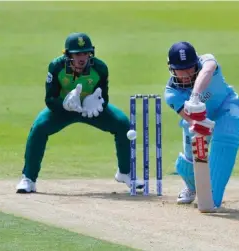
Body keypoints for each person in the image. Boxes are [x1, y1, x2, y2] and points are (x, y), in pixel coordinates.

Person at [16, 32, 145, 193]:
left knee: (122, 124)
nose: (82, 58)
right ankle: (28, 178)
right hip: (63, 110)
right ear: (68, 55)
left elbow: (104, 98)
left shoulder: (100, 68)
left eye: (85, 53)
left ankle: (125, 172)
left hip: (89, 110)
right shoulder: (56, 67)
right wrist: (65, 106)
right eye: (77, 54)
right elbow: (50, 99)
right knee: (39, 128)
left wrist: (95, 103)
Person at [163, 41, 239, 208]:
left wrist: (195, 96)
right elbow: (190, 118)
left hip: (226, 106)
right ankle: (191, 187)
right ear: (171, 67)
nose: (186, 73)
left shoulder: (207, 61)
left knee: (228, 133)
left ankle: (212, 197)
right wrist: (198, 123)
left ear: (196, 62)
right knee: (189, 159)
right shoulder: (172, 93)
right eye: (180, 68)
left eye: (190, 67)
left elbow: (208, 69)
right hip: (198, 119)